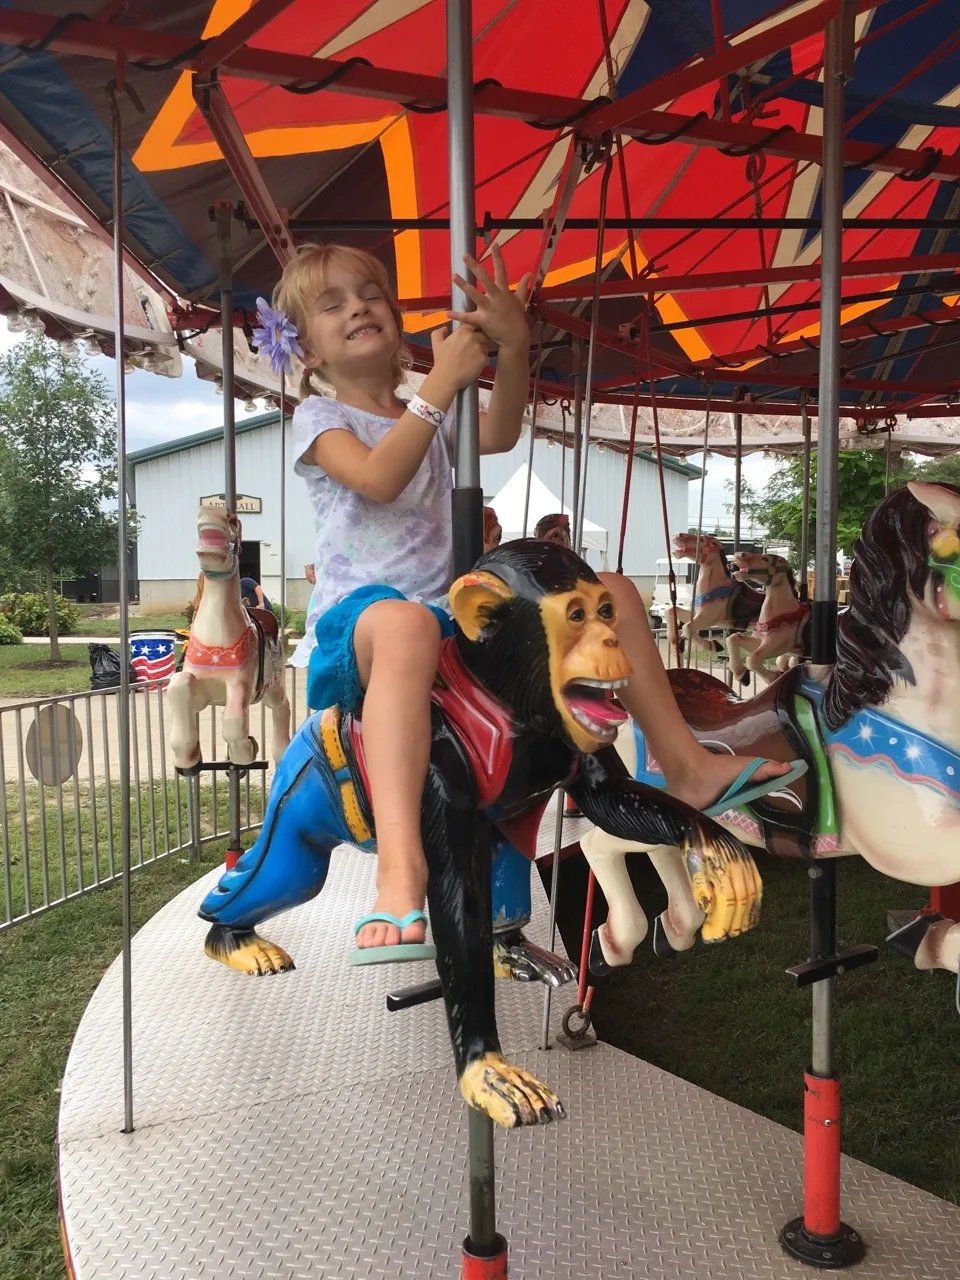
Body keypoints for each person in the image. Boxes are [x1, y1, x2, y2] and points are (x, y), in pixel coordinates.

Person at [273, 241, 792, 965]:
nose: (358, 307)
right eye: (333, 305)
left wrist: (512, 348)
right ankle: (399, 868)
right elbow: (378, 478)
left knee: (609, 592)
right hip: (363, 623)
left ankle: (684, 763)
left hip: (447, 617)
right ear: (304, 348)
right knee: (406, 625)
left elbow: (501, 431)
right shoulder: (320, 417)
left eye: (370, 294)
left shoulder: (428, 403)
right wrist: (440, 385)